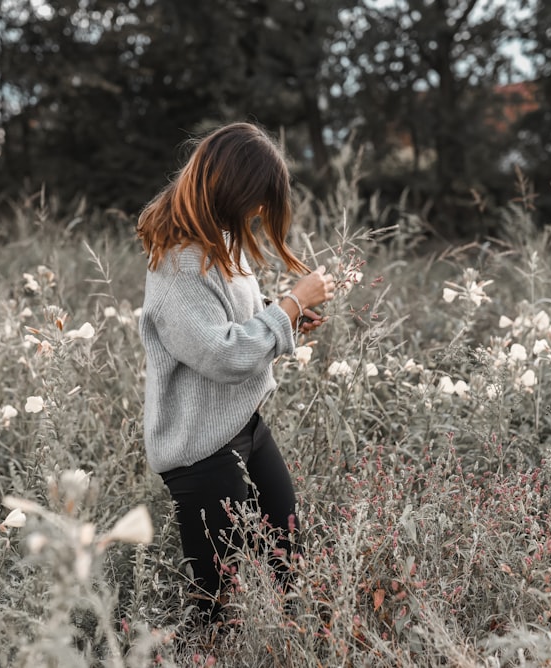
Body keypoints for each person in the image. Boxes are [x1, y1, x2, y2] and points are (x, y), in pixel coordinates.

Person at [136, 122, 335, 624]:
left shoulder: (222, 241)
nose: (259, 212)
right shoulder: (179, 263)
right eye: (256, 199)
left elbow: (232, 322)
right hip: (200, 453)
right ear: (229, 189)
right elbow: (222, 356)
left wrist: (282, 314)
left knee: (288, 562)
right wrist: (291, 302)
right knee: (216, 605)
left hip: (245, 426)